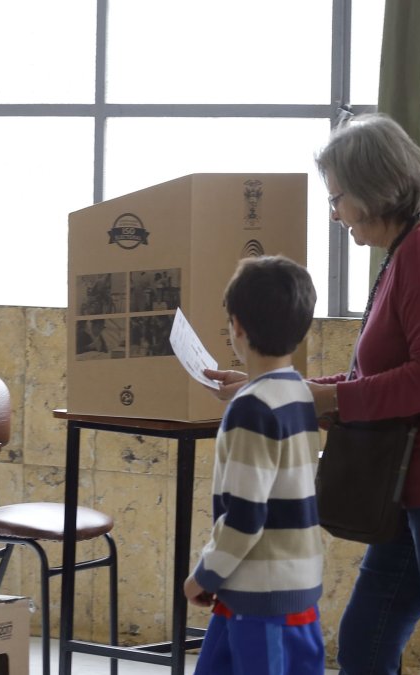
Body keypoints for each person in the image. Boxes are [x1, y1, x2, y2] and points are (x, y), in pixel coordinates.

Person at [205, 114, 420, 673]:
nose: (335, 215)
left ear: (373, 190)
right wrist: (279, 387)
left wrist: (321, 400)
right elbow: (373, 377)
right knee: (365, 645)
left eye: (338, 199)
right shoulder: (412, 250)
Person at [185, 255, 325, 675]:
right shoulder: (298, 393)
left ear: (237, 327)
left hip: (265, 601)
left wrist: (205, 575)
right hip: (266, 590)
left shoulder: (250, 408)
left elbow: (246, 516)